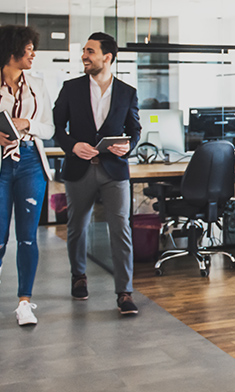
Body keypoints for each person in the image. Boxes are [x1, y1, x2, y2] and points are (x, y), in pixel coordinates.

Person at [53, 32, 141, 315]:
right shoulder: (71, 88)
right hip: (79, 169)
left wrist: (127, 147)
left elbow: (135, 130)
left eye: (90, 51)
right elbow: (56, 129)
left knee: (121, 230)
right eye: (84, 51)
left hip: (114, 171)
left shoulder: (127, 92)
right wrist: (73, 145)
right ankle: (78, 276)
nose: (84, 56)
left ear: (107, 57)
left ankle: (124, 293)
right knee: (77, 226)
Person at [0, 25, 54, 326]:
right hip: (2, 165)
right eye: (29, 47)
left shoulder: (36, 85)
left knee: (27, 237)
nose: (33, 53)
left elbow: (50, 128)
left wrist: (27, 123)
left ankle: (24, 302)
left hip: (31, 161)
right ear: (12, 50)